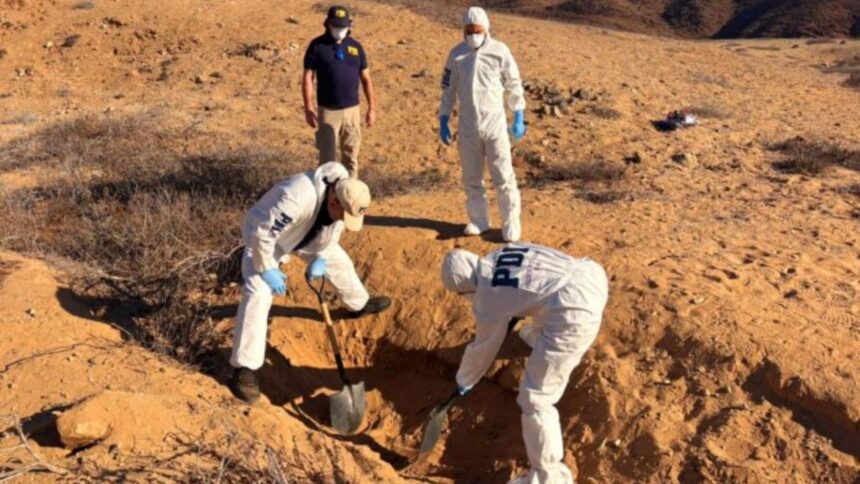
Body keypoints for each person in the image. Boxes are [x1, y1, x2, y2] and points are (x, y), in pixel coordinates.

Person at [440, 244, 608, 484]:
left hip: (574, 311)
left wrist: (464, 381)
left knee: (535, 398)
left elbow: (484, 346)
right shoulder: (497, 255)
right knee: (540, 316)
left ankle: (548, 476)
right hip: (590, 275)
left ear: (463, 287)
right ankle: (536, 341)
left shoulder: (487, 296)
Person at [229, 162, 391, 403]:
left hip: (308, 236)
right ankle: (244, 369)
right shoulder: (296, 197)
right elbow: (263, 235)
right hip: (265, 240)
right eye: (343, 215)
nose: (344, 221)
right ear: (334, 202)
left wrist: (322, 257)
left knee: (338, 261)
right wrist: (268, 269)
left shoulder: (344, 190)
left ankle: (358, 304)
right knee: (259, 291)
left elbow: (336, 228)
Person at [439, 6, 526, 242]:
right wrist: (444, 119)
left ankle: (510, 223)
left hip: (495, 124)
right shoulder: (456, 55)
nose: (473, 35)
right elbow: (448, 89)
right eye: (469, 30)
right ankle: (479, 220)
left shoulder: (500, 51)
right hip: (468, 126)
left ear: (486, 29)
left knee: (503, 176)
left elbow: (513, 83)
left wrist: (518, 115)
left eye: (477, 30)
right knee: (472, 177)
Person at [303, 5, 376, 177]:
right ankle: (327, 198)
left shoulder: (356, 47)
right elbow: (307, 78)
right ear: (328, 25)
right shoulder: (317, 46)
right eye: (336, 26)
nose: (339, 30)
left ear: (349, 26)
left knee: (351, 156)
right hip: (328, 111)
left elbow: (366, 78)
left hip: (352, 111)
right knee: (327, 160)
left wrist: (372, 108)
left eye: (343, 26)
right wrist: (308, 108)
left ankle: (349, 197)